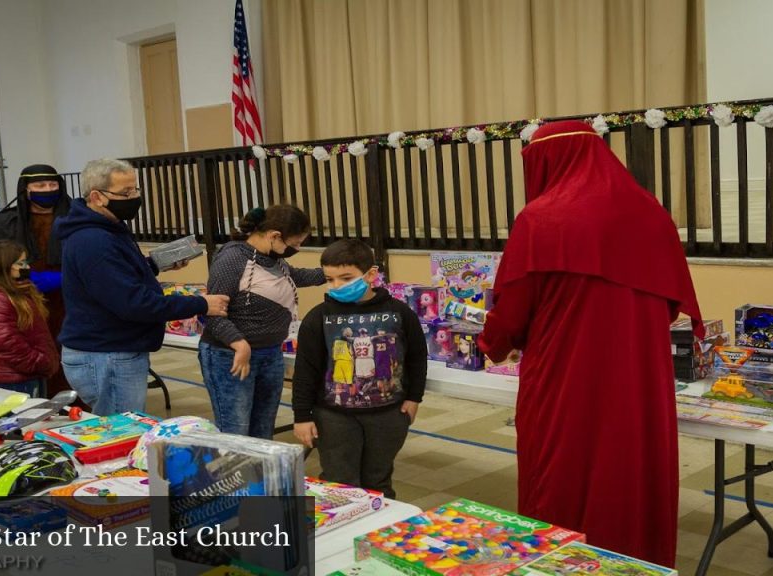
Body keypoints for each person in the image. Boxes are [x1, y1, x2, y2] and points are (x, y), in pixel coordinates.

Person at [478, 120, 703, 568]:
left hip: (566, 375)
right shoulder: (650, 213)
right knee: (630, 467)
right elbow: (669, 307)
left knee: (562, 470)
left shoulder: (541, 219)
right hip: (639, 376)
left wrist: (491, 343)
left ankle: (563, 563)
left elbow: (513, 310)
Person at [54, 158, 229, 416]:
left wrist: (153, 265)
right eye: (126, 193)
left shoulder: (107, 226)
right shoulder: (93, 240)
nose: (134, 197)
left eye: (136, 190)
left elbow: (115, 277)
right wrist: (201, 304)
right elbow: (133, 303)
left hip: (111, 349)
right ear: (97, 196)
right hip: (106, 353)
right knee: (122, 432)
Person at [292, 239, 426, 498]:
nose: (336, 286)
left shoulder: (398, 312)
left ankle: (377, 534)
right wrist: (302, 416)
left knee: (378, 481)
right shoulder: (319, 317)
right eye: (330, 279)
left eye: (345, 278)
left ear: (371, 274)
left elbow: (417, 357)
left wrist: (414, 397)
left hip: (388, 414)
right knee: (339, 483)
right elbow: (306, 370)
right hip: (334, 416)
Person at [199, 205, 325, 439]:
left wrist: (334, 272)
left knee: (263, 429)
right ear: (274, 236)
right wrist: (239, 343)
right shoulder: (232, 259)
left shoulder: (272, 258)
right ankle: (235, 475)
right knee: (235, 430)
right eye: (295, 244)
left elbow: (296, 276)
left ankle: (258, 475)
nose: (296, 249)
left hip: (269, 353)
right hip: (231, 355)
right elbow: (212, 313)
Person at [0, 164, 74, 403]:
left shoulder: (74, 216)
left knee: (66, 349)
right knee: (30, 346)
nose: (48, 189)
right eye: (40, 185)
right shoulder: (4, 223)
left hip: (70, 299)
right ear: (26, 189)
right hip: (19, 299)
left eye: (53, 185)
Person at [0, 240, 58, 397]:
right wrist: (38, 362)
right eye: (21, 263)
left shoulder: (17, 292)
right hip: (16, 378)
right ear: (3, 267)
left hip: (28, 374)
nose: (26, 267)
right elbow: (7, 343)